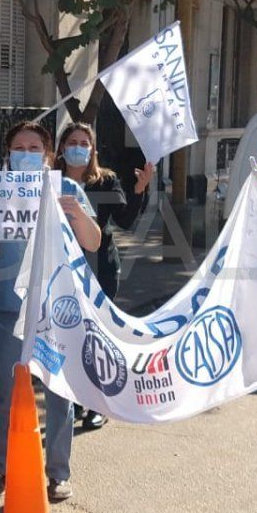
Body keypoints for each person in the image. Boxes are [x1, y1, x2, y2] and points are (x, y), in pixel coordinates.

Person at [0, 121, 101, 502]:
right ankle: (1, 468)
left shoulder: (68, 189)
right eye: (20, 148)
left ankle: (58, 473)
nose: (27, 154)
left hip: (56, 314)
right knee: (5, 393)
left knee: (59, 393)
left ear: (48, 155)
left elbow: (93, 242)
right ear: (8, 154)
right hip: (7, 313)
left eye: (35, 148)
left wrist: (77, 215)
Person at [57, 122, 154, 430]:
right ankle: (73, 399)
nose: (78, 148)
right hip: (61, 269)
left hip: (100, 268)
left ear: (93, 150)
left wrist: (139, 190)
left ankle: (99, 403)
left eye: (84, 143)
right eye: (72, 142)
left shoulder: (106, 181)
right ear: (61, 148)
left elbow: (125, 221)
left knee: (97, 336)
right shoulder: (49, 181)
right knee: (69, 336)